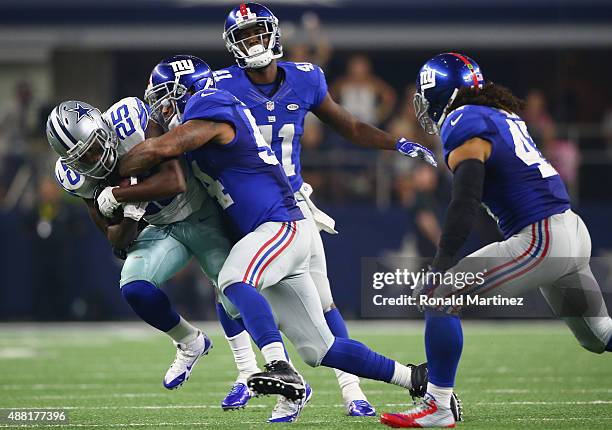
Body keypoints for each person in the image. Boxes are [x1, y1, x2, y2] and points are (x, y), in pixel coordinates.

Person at [118, 54, 457, 424]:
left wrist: (108, 169)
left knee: (233, 277)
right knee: (319, 348)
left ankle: (279, 366)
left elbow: (161, 149)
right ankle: (417, 379)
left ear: (186, 93)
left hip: (280, 225)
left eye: (166, 97)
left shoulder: (210, 104)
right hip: (275, 230)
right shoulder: (207, 109)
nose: (161, 106)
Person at [214, 2, 437, 416]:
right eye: (244, 37)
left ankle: (345, 390)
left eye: (258, 32)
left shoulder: (305, 78)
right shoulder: (219, 87)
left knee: (317, 301)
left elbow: (349, 126)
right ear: (232, 46)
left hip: (289, 206)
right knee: (238, 293)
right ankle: (261, 376)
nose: (254, 42)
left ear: (275, 34)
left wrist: (397, 143)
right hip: (245, 208)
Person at [380, 53, 612, 428]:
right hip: (569, 231)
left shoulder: (461, 119)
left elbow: (466, 198)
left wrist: (442, 261)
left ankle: (438, 406)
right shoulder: (499, 114)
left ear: (444, 93)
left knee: (441, 296)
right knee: (599, 336)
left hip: (542, 239)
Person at [46, 95, 232, 391]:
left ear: (103, 130)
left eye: (94, 148)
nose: (94, 160)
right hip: (162, 228)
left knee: (235, 295)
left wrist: (121, 196)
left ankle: (255, 370)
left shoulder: (129, 123)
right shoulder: (75, 177)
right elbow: (116, 240)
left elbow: (175, 181)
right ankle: (189, 341)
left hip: (201, 212)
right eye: (83, 159)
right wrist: (133, 213)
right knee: (134, 288)